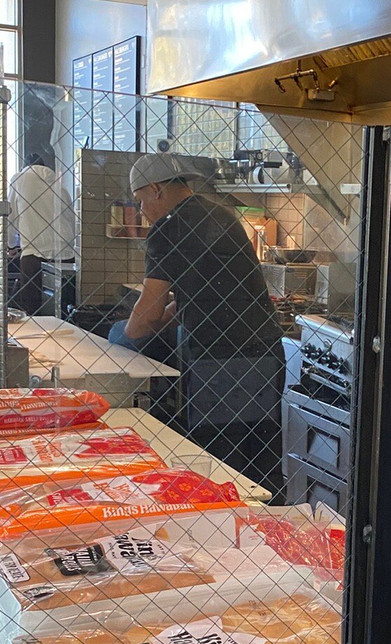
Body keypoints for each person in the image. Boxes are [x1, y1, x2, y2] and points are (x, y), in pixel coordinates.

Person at [110, 152, 286, 500]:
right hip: (265, 355)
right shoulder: (222, 215)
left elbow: (144, 320)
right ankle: (273, 526)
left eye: (140, 199)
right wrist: (162, 316)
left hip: (219, 364)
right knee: (262, 465)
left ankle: (226, 529)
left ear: (156, 189)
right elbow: (204, 294)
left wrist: (123, 334)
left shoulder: (168, 228)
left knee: (220, 470)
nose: (142, 210)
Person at [8, 152, 76, 315]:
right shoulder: (59, 186)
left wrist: (10, 246)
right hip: (66, 258)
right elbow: (72, 221)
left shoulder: (19, 179)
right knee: (61, 313)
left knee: (33, 312)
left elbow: (10, 217)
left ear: (24, 166)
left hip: (34, 257)